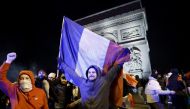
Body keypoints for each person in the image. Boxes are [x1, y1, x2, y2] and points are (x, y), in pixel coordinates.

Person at [59, 51, 130, 109]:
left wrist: (124, 56)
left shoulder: (105, 81)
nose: (91, 74)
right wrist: (62, 64)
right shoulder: (82, 82)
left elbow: (115, 69)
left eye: (93, 72)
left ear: (98, 73)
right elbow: (71, 73)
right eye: (89, 72)